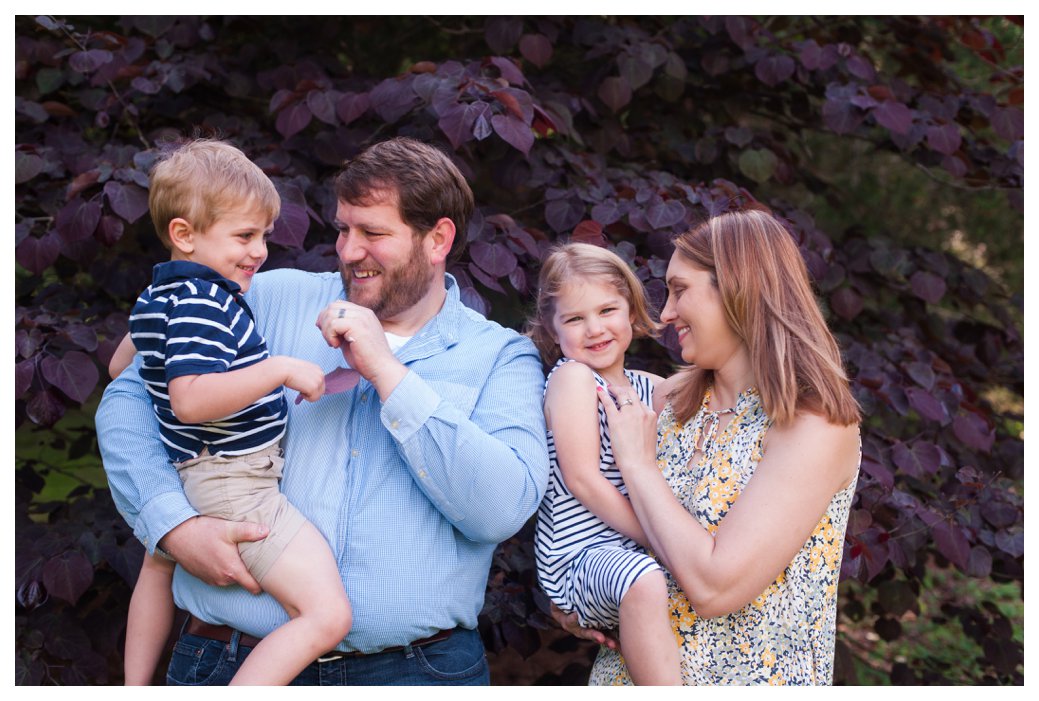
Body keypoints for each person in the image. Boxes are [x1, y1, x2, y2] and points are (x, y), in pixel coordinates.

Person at [96, 136, 550, 686]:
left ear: (438, 239)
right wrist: (173, 525)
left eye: (374, 234)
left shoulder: (500, 355)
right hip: (230, 658)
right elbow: (126, 399)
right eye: (343, 229)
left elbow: (499, 510)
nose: (349, 250)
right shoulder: (261, 297)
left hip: (419, 673)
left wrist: (389, 373)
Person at [557, 208, 861, 685]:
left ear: (738, 287)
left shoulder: (814, 423)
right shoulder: (666, 401)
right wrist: (579, 598)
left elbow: (714, 587)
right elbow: (587, 504)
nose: (665, 312)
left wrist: (639, 467)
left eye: (680, 290)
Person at [107, 139, 351, 685]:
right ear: (184, 234)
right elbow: (190, 400)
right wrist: (279, 369)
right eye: (244, 236)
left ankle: (134, 685)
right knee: (327, 615)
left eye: (263, 234)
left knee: (157, 561)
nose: (260, 250)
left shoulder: (160, 296)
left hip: (192, 470)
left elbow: (119, 366)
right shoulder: (204, 301)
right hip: (236, 481)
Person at [526, 243, 680, 685]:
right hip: (578, 557)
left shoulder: (650, 387)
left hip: (628, 554)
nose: (594, 328)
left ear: (631, 310)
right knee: (646, 579)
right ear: (553, 331)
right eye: (574, 319)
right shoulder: (574, 379)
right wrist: (660, 538)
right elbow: (583, 480)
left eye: (607, 310)